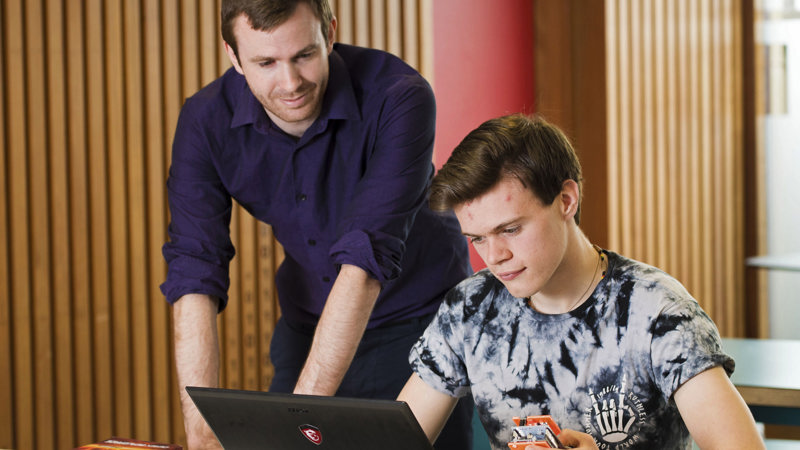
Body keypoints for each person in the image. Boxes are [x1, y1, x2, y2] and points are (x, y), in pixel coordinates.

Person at [160, 1, 473, 448]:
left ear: (329, 33)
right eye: (265, 62)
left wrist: (297, 427)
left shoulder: (399, 96)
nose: (290, 84)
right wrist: (200, 434)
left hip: (418, 323)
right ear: (233, 56)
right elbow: (194, 272)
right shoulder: (205, 121)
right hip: (309, 328)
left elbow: (365, 261)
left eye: (304, 55)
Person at [397, 114, 766, 450]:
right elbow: (395, 438)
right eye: (477, 238)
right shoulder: (470, 308)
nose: (493, 256)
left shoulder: (656, 311)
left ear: (566, 200)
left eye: (510, 229)